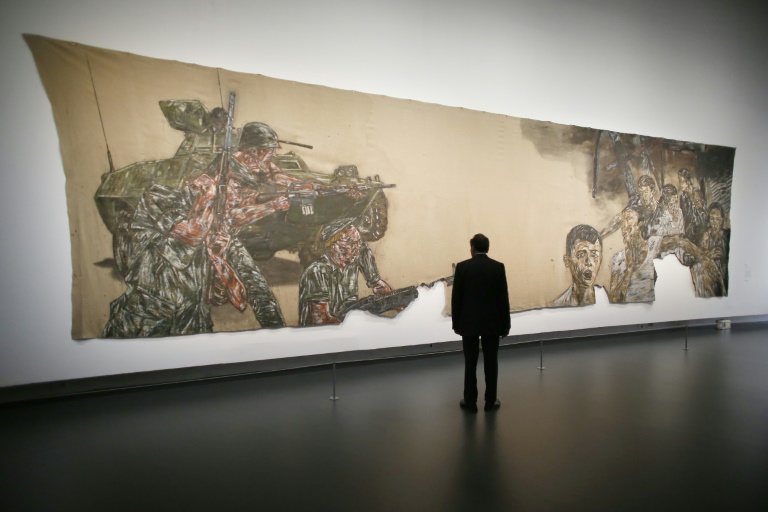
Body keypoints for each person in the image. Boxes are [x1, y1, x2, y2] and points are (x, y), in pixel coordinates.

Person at [104, 122, 291, 337]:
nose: (240, 198)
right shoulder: (160, 198)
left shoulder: (219, 228)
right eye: (235, 189)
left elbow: (257, 287)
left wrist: (278, 334)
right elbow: (189, 236)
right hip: (148, 312)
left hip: (191, 319)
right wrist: (210, 200)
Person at [451, 233, 510, 412]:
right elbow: (503, 299)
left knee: (470, 363)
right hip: (492, 324)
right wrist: (506, 325)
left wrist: (456, 324)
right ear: (487, 248)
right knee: (491, 363)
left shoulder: (463, 267)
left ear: (472, 248)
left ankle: (470, 401)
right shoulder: (497, 267)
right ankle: (490, 401)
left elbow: (457, 299)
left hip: (469, 324)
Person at [298, 219, 393, 325]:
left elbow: (379, 286)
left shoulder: (352, 261)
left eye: (358, 242)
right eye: (351, 243)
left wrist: (395, 301)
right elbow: (320, 319)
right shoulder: (317, 271)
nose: (357, 248)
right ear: (334, 246)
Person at [550, 225, 602, 307]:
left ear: (601, 259)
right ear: (567, 261)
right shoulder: (558, 304)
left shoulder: (605, 299)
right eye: (581, 255)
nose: (589, 262)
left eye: (594, 255)